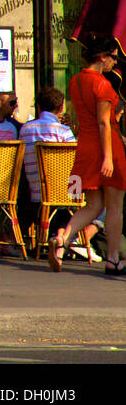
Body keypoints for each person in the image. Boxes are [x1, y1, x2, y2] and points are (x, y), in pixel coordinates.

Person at [50, 36, 125, 273]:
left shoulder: (75, 81)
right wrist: (108, 156)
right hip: (107, 147)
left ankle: (63, 239)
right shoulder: (102, 84)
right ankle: (113, 259)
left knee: (92, 205)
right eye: (113, 57)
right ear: (102, 57)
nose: (115, 62)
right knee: (114, 207)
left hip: (85, 146)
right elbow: (104, 123)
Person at [19, 87, 94, 260]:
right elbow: (75, 160)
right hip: (64, 193)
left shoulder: (25, 129)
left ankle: (59, 239)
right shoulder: (64, 132)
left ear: (38, 107)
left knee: (60, 202)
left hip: (35, 192)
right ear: (61, 109)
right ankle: (64, 239)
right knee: (91, 200)